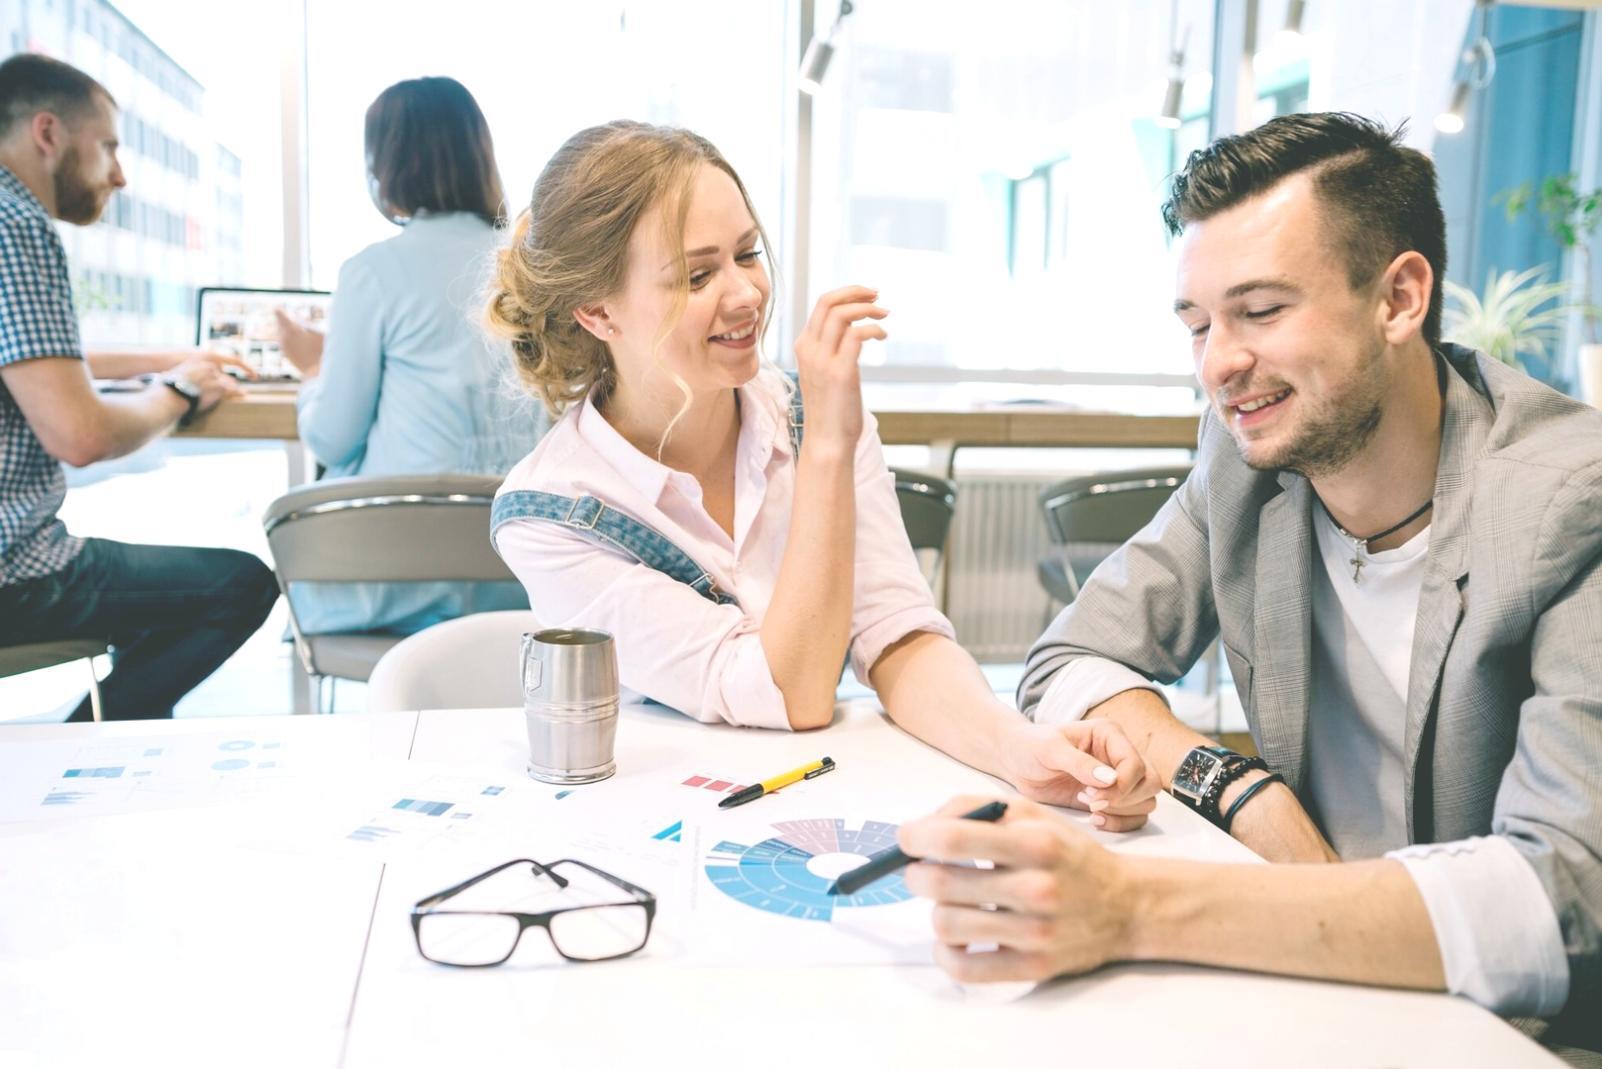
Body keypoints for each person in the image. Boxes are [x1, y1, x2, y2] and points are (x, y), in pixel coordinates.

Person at [900, 112, 1600, 1049]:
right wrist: (1237, 787)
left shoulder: (1569, 501)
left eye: (1261, 312)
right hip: (1314, 990)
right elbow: (1070, 654)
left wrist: (1131, 905)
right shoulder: (1249, 464)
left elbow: (1558, 889)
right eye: (1199, 324)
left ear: (1399, 297)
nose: (1219, 365)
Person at [484, 120, 1155, 822]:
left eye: (747, 254)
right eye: (698, 274)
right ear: (597, 311)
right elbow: (790, 691)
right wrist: (828, 446)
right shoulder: (551, 512)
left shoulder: (808, 411)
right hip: (656, 826)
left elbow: (897, 633)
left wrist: (1020, 748)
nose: (745, 294)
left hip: (821, 800)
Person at [0, 53, 279, 721]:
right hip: (19, 576)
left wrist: (174, 355)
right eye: (109, 147)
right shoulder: (18, 226)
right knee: (239, 585)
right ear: (48, 133)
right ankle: (82, 751)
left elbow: (39, 357)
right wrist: (179, 390)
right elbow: (82, 434)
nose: (120, 174)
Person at [274, 77, 542, 636]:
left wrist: (314, 368)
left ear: (386, 166)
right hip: (523, 573)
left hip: (400, 577)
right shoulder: (530, 267)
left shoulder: (373, 272)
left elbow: (332, 437)